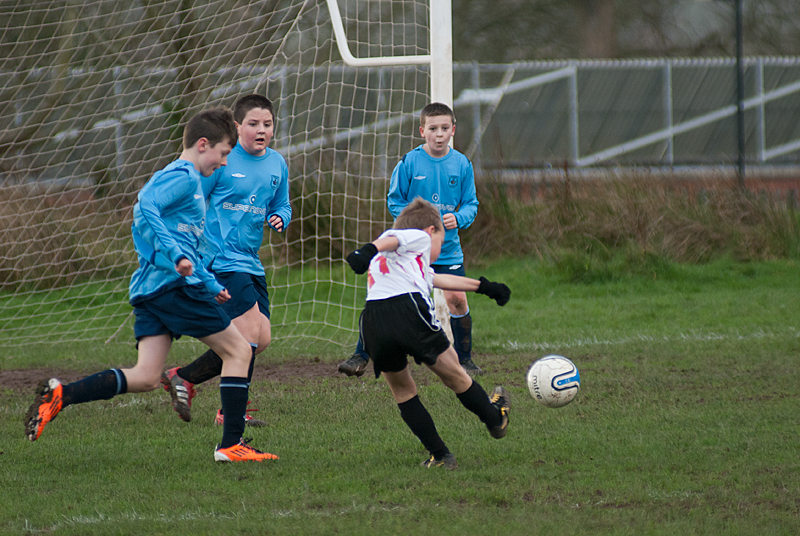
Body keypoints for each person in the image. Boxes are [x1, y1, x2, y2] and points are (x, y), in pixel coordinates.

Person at [24, 107, 278, 462]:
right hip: (173, 288)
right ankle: (231, 445)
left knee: (145, 377)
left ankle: (61, 395)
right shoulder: (183, 176)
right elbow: (145, 208)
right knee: (239, 350)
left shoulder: (192, 182)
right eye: (222, 153)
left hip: (153, 290)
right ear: (203, 144)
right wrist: (176, 257)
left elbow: (189, 246)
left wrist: (209, 282)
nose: (224, 162)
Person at [345, 197, 511, 469]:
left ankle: (441, 455)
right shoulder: (418, 235)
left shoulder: (406, 262)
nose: (438, 250)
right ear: (432, 231)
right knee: (455, 374)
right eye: (441, 243)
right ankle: (496, 419)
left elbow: (438, 279)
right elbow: (392, 238)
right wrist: (367, 250)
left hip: (373, 322)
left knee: (403, 391)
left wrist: (485, 287)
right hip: (407, 310)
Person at [160, 94, 291, 427]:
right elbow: (193, 198)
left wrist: (281, 216)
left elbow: (282, 203)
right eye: (253, 124)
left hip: (250, 261)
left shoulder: (277, 163)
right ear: (237, 127)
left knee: (261, 339)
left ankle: (184, 377)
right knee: (247, 334)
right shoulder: (223, 160)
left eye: (267, 124)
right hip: (220, 259)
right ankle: (231, 413)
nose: (261, 130)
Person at [339, 102, 483, 377]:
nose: (439, 134)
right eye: (433, 129)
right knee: (388, 301)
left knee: (457, 300)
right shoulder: (409, 162)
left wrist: (459, 218)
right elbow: (394, 201)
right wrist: (415, 226)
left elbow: (471, 204)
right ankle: (360, 356)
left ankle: (465, 360)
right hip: (411, 251)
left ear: (453, 130)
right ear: (422, 131)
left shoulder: (462, 164)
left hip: (447, 249)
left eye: (444, 128)